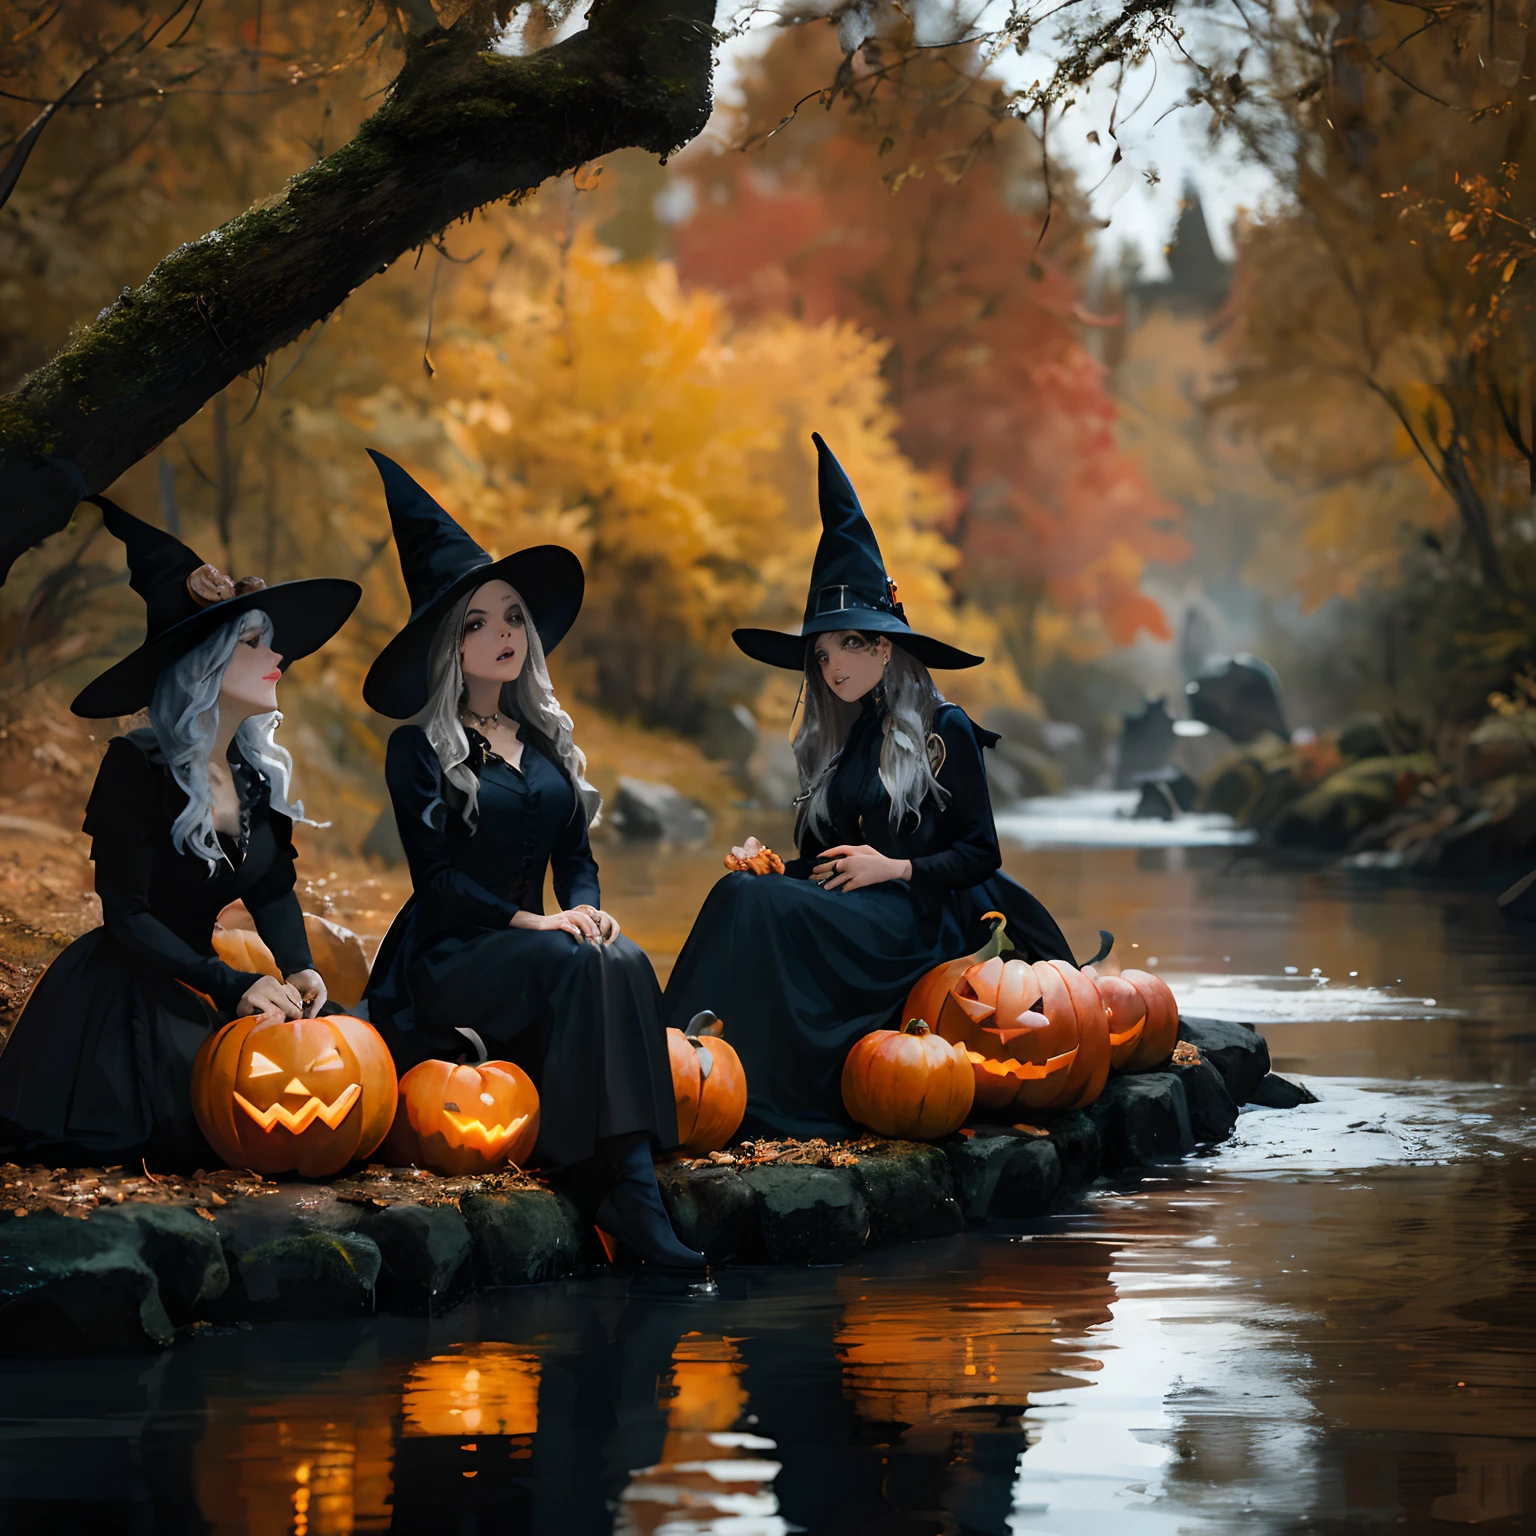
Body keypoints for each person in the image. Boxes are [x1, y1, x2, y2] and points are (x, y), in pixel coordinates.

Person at [663, 433, 1101, 1140]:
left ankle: (740, 1083)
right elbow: (836, 862)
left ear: (885, 645)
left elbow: (980, 853)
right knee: (743, 892)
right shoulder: (844, 736)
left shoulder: (942, 728)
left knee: (764, 911)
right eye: (823, 652)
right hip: (860, 913)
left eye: (850, 644)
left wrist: (895, 867)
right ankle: (678, 1067)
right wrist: (776, 865)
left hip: (920, 922)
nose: (833, 665)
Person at [359, 452, 702, 1269]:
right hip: (447, 955)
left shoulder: (546, 742)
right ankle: (608, 1181)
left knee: (618, 953)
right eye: (476, 623)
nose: (503, 635)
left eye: (512, 617)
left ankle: (633, 1179)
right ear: (450, 643)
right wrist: (533, 918)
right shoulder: (417, 751)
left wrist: (586, 905)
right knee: (574, 959)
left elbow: (576, 858)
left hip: (535, 939)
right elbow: (436, 886)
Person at [0, 498, 361, 1165]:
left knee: (340, 1050)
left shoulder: (253, 775)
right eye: (253, 643)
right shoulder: (136, 766)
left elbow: (274, 893)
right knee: (202, 1116)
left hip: (216, 985)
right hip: (131, 992)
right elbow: (126, 916)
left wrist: (299, 966)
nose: (276, 655)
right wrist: (229, 984)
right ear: (206, 665)